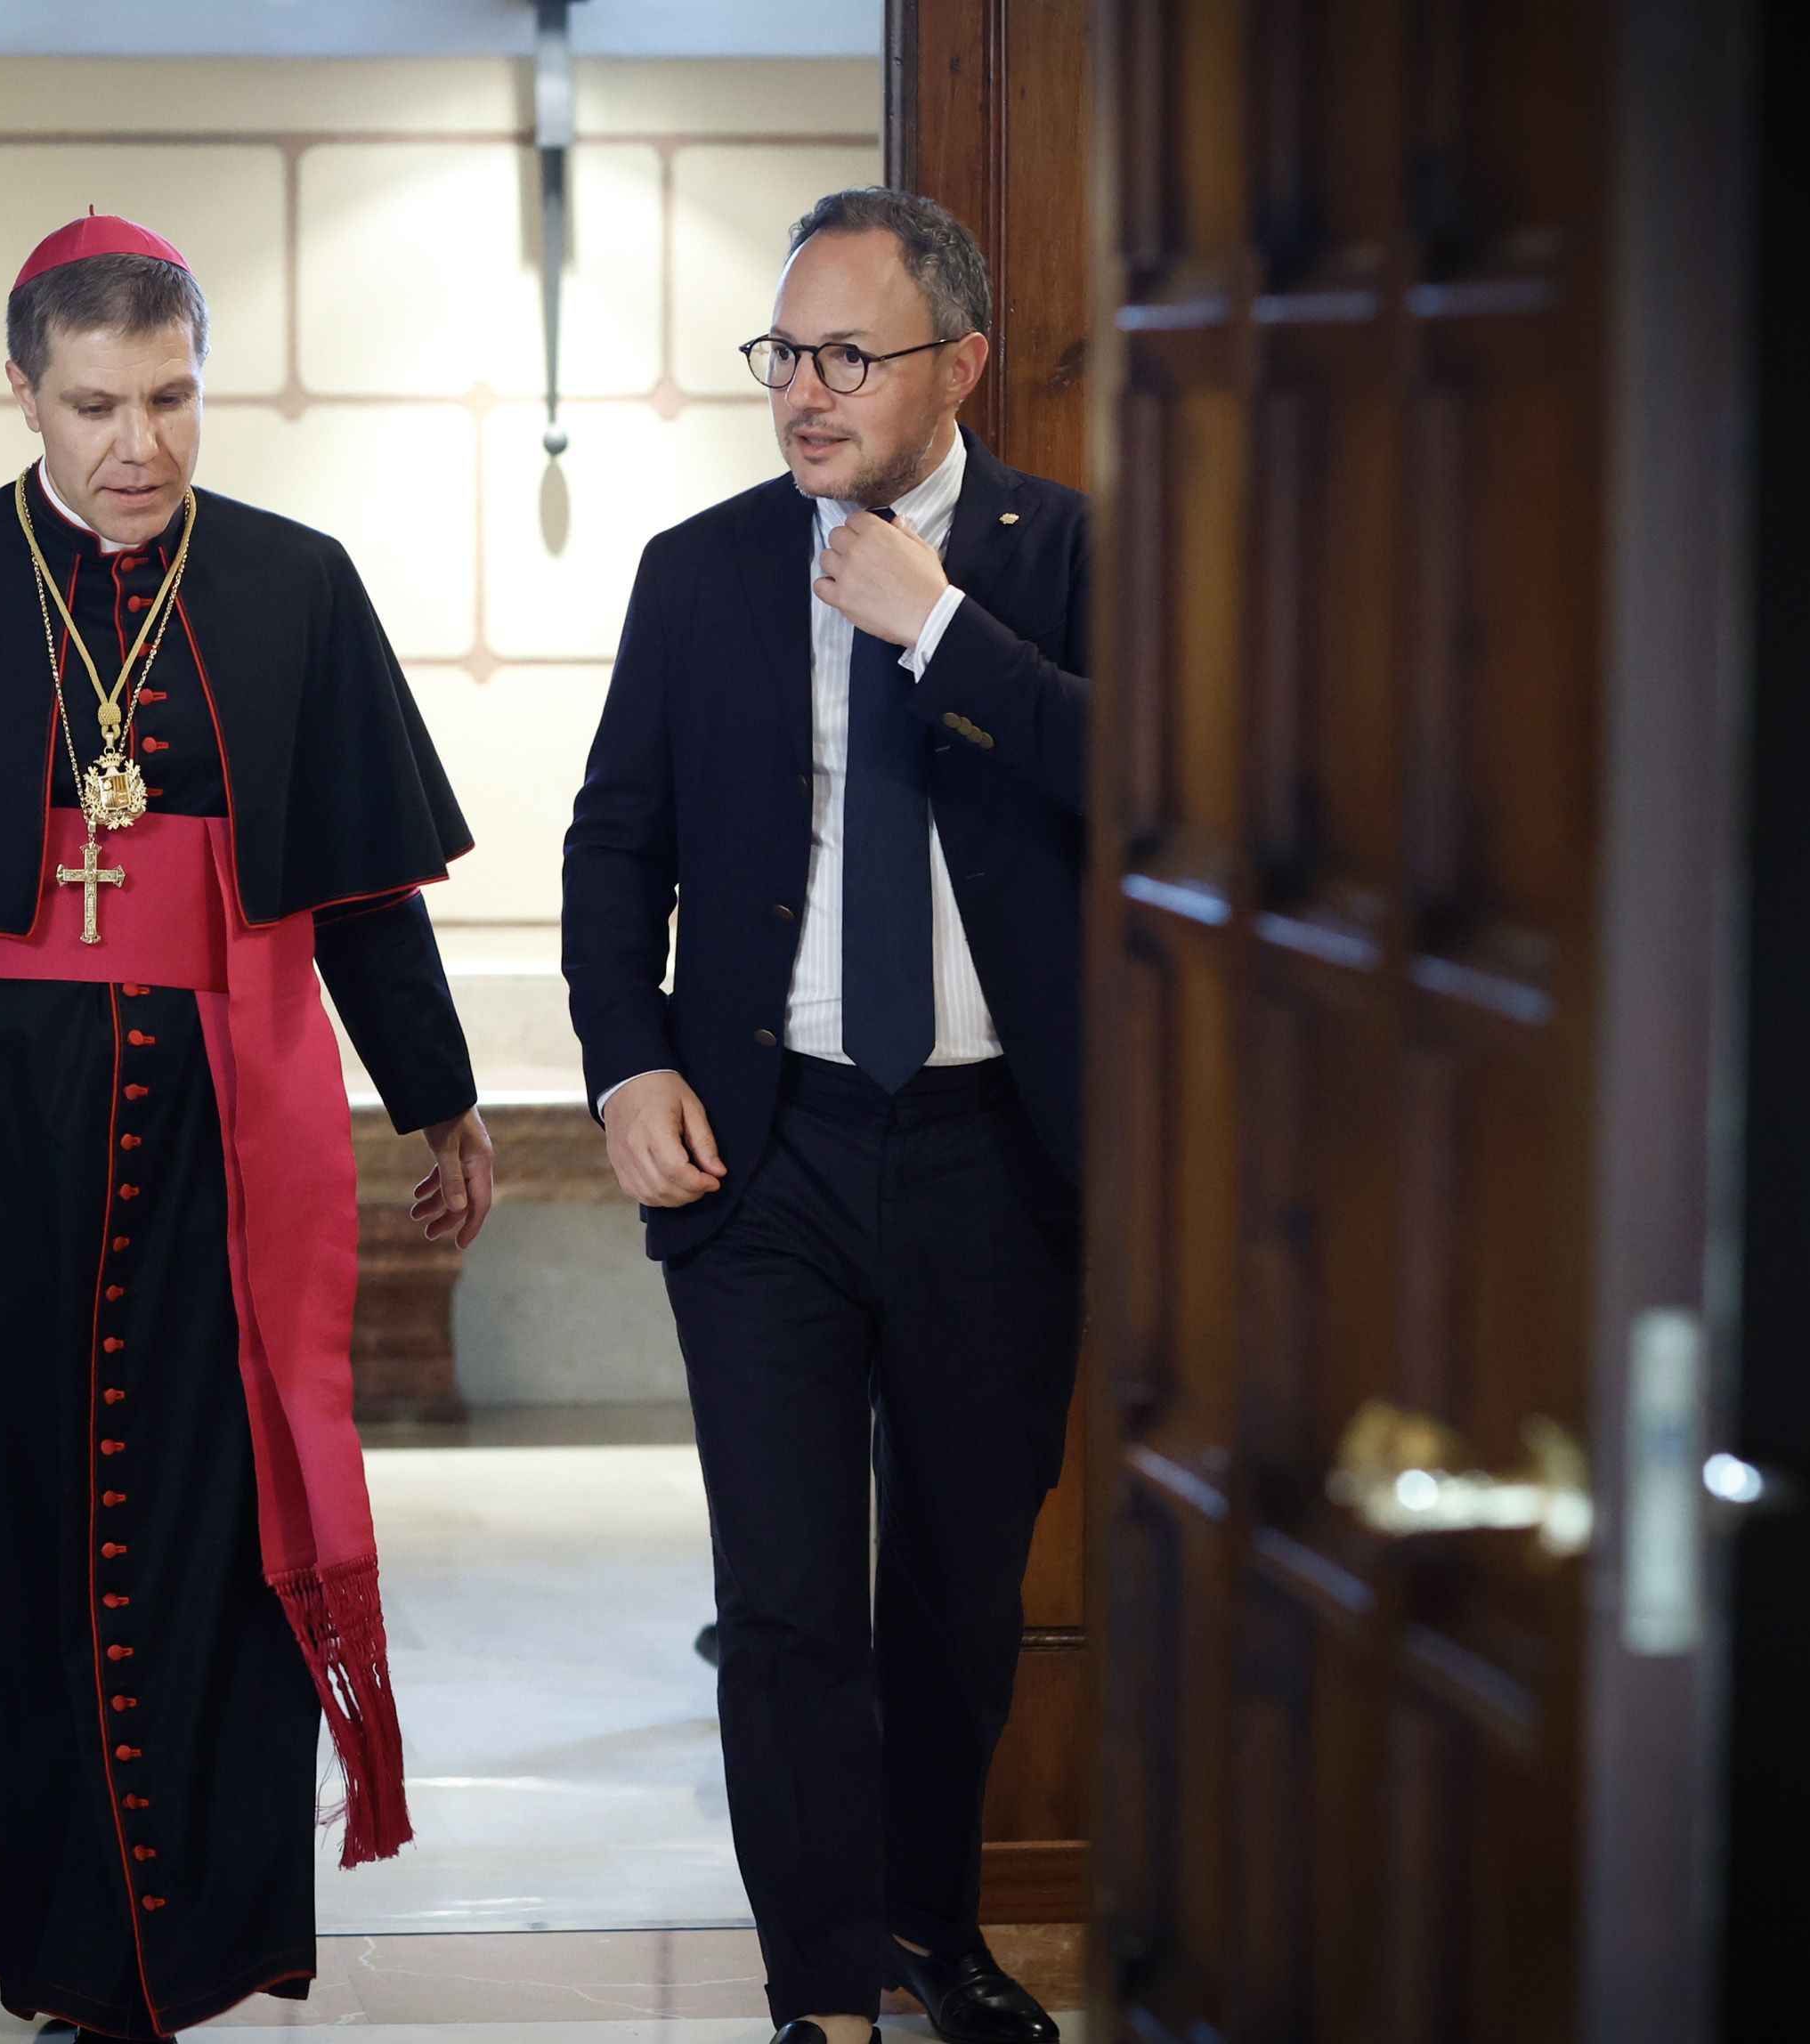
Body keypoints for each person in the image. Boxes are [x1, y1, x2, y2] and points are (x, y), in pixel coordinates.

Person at [0, 212, 496, 2036]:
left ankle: (167, 1955)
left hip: (223, 1139)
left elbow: (366, 889)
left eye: (170, 398)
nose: (136, 445)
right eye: (94, 405)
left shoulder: (294, 588)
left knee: (203, 1541)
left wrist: (440, 1098)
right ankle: (30, 1927)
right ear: (22, 394)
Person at [562, 188, 1085, 2044]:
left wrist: (939, 628)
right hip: (764, 1153)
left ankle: (933, 1931)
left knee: (953, 1593)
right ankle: (824, 1987)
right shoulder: (699, 570)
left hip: (995, 1155)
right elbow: (613, 842)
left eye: (846, 354)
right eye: (781, 352)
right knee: (786, 1597)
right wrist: (626, 1064)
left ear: (960, 362)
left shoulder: (1062, 556)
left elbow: (1165, 793)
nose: (802, 390)